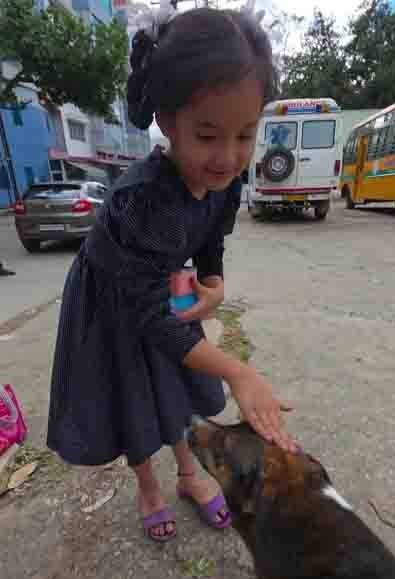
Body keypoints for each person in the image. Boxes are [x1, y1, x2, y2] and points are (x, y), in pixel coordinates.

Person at [46, 5, 294, 543]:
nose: (228, 157)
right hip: (113, 299)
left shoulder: (226, 180)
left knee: (177, 389)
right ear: (167, 122)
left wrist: (214, 280)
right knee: (131, 397)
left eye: (245, 135)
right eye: (207, 136)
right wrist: (238, 371)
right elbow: (151, 314)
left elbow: (211, 237)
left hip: (167, 285)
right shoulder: (140, 203)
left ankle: (188, 475)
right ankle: (149, 488)